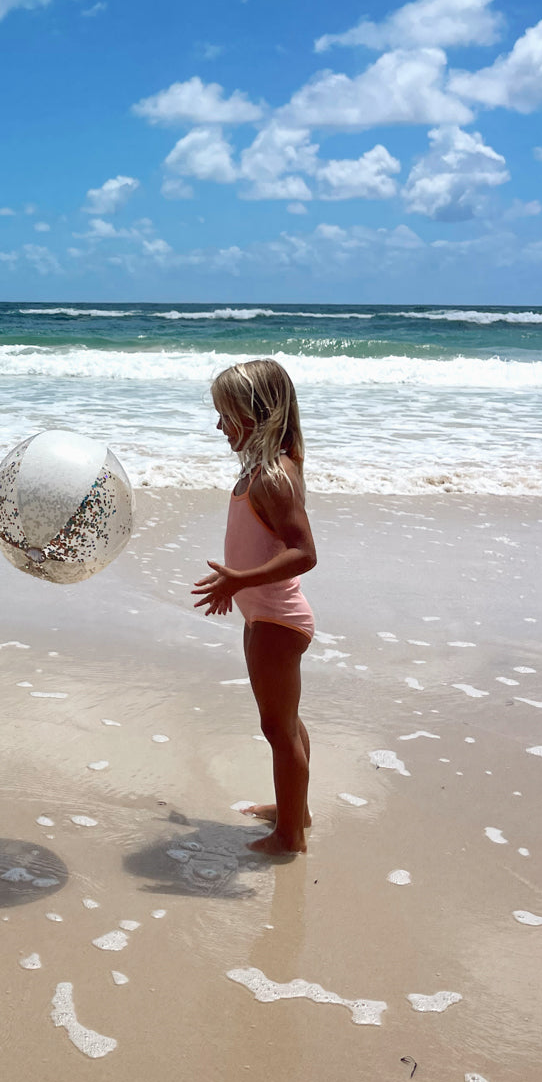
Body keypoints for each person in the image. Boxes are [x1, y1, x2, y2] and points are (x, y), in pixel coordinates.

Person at [192, 359, 317, 855]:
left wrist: (240, 579)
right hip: (261, 616)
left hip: (277, 620)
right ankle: (296, 811)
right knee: (285, 721)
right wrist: (241, 588)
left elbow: (304, 553)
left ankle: (289, 837)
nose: (219, 425)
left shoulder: (272, 476)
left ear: (255, 412)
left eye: (226, 414)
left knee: (277, 728)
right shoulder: (258, 472)